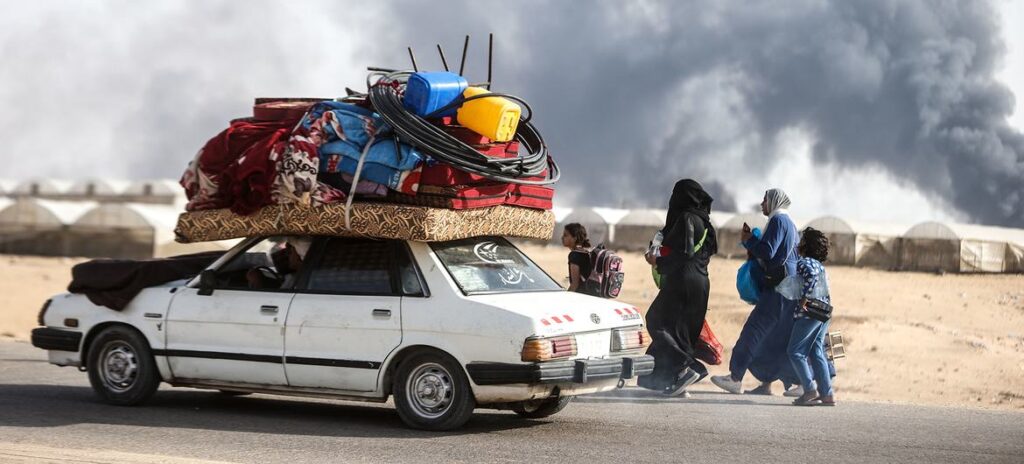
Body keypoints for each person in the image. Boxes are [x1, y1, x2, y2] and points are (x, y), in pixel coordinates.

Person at [711, 188, 799, 394]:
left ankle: (734, 378)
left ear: (774, 202)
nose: (761, 204)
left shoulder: (778, 221)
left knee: (754, 331)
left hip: (778, 289)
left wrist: (749, 240)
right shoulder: (791, 223)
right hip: (789, 290)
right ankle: (785, 382)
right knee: (776, 338)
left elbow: (768, 251)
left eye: (765, 200)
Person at [637, 179, 718, 397]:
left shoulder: (686, 218)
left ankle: (686, 367)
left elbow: (684, 252)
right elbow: (706, 252)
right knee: (681, 333)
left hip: (682, 280)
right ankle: (675, 381)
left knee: (656, 320)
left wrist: (657, 262)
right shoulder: (705, 222)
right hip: (701, 282)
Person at [786, 227, 836, 406]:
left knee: (795, 351)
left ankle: (809, 390)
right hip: (824, 312)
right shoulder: (819, 265)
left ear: (806, 245)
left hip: (810, 313)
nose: (798, 243)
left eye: (801, 240)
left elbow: (810, 279)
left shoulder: (805, 263)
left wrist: (804, 300)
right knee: (817, 351)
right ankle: (827, 394)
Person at [561, 223, 593, 294]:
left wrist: (565, 299)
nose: (562, 237)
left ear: (575, 238)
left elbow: (575, 284)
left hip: (581, 296)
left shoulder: (574, 255)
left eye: (565, 235)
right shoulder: (587, 252)